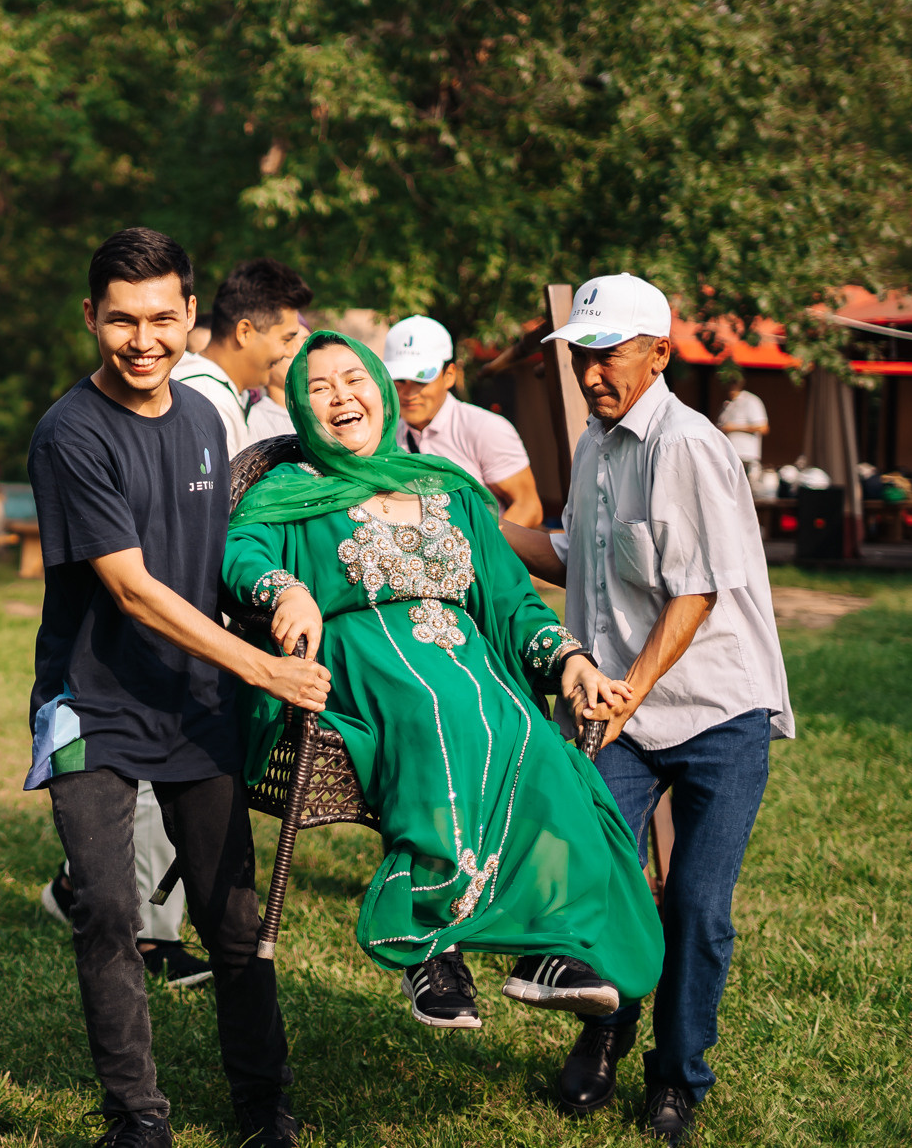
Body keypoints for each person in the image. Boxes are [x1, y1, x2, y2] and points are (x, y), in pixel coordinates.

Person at [224, 330, 663, 1039]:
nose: (341, 396)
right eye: (319, 387)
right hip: (367, 664)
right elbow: (240, 552)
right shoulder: (289, 489)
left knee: (539, 741)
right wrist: (283, 591)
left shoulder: (446, 488)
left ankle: (553, 950)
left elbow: (515, 600)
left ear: (379, 388)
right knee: (434, 709)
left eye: (354, 379)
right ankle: (429, 940)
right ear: (301, 412)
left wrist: (571, 661)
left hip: (471, 667)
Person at [26, 227, 330, 1148]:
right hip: (93, 701)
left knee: (232, 915)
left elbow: (224, 553)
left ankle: (261, 1104)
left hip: (197, 702)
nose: (144, 338)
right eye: (122, 320)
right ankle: (136, 1116)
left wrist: (285, 589)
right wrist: (261, 666)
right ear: (91, 318)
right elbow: (130, 586)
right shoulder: (69, 433)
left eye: (164, 316)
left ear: (194, 317)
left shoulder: (206, 419)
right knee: (110, 910)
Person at [504, 274, 793, 1145]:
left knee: (698, 906)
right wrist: (471, 525)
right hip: (621, 709)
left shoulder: (690, 445)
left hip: (713, 710)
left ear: (658, 353)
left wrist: (628, 691)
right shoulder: (595, 445)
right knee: (601, 884)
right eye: (581, 357)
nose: (591, 373)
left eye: (607, 355)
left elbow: (697, 590)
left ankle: (677, 1079)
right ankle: (607, 1029)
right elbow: (571, 555)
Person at [382, 315, 543, 527]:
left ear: (449, 375)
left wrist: (478, 553)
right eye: (399, 380)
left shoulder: (485, 429)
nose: (409, 393)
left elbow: (528, 507)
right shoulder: (383, 437)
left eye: (421, 379)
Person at [170, 259, 313, 458]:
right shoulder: (208, 400)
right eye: (286, 340)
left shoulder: (213, 391)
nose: (289, 353)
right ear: (244, 332)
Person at [715, 380, 769, 474]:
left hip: (744, 456)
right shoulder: (727, 404)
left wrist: (734, 428)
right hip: (727, 455)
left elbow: (763, 427)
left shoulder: (750, 401)